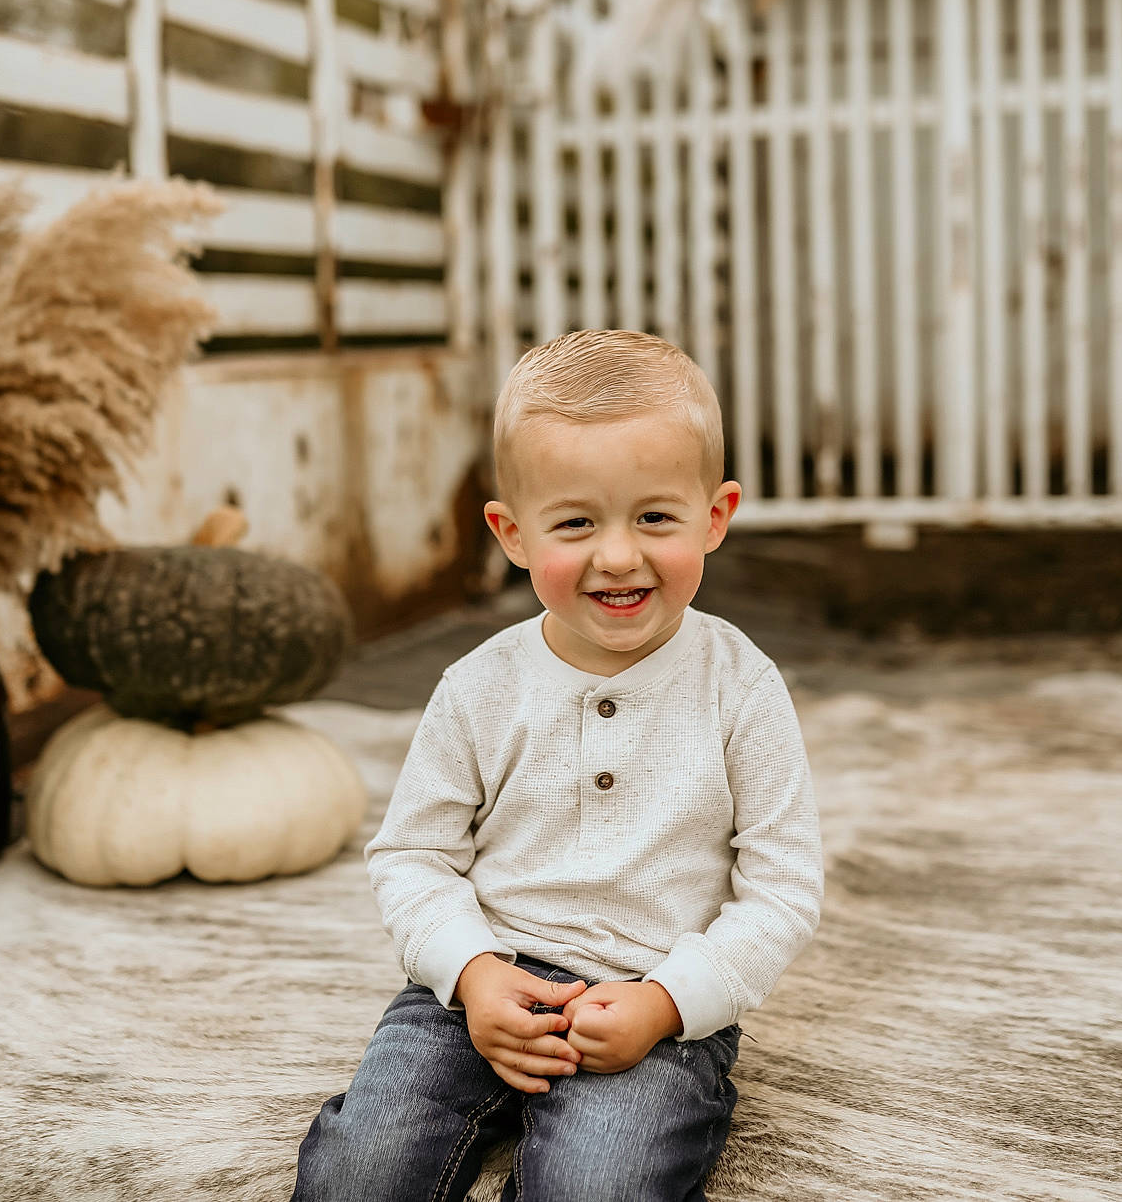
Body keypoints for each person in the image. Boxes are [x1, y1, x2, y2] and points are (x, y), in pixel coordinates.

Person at [291, 329, 825, 1202]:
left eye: (655, 517)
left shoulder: (741, 686)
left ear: (716, 516)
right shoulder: (478, 688)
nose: (618, 555)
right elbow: (413, 856)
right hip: (478, 985)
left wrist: (669, 1001)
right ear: (510, 532)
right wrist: (469, 971)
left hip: (655, 1001)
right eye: (575, 523)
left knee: (599, 1186)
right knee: (363, 1171)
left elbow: (784, 887)